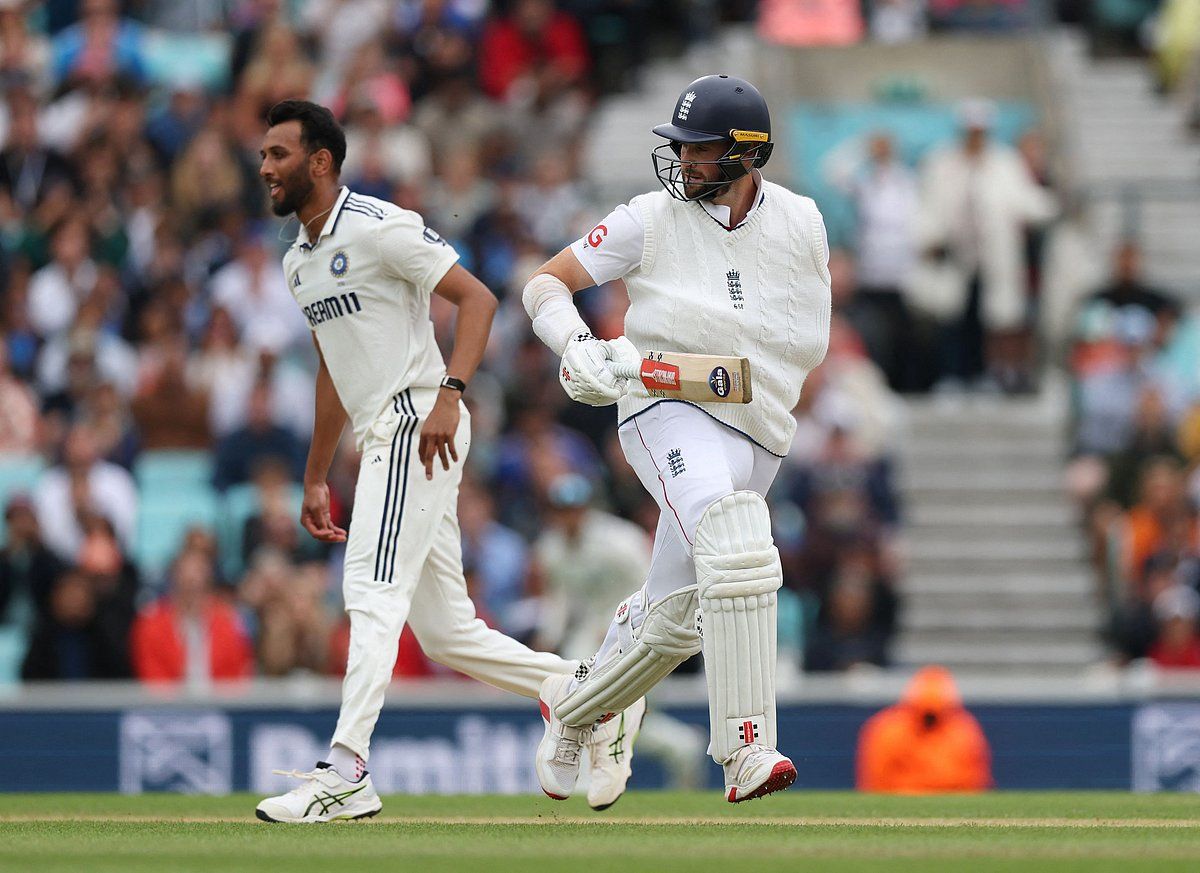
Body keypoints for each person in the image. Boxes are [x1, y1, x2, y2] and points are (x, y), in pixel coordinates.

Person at [253, 100, 638, 823]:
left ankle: (346, 771)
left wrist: (449, 394)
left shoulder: (379, 226)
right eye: (265, 154)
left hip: (415, 423)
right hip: (380, 437)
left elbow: (477, 298)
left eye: (279, 153)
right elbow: (333, 367)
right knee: (446, 633)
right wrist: (314, 473)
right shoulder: (297, 261)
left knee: (370, 593)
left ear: (321, 161)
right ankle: (591, 691)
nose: (266, 167)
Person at [522, 75, 831, 803]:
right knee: (735, 544)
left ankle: (573, 709)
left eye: (701, 149)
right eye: (681, 147)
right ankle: (746, 750)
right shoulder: (648, 218)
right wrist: (578, 346)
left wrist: (726, 370)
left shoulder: (801, 221)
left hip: (759, 426)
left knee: (673, 618)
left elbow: (797, 345)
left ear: (747, 154)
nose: (685, 161)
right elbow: (545, 283)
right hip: (664, 408)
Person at [856, 666, 992, 793]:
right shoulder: (890, 729)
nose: (930, 719)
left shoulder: (963, 729)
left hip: (949, 796)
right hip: (904, 797)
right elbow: (876, 777)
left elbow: (976, 776)